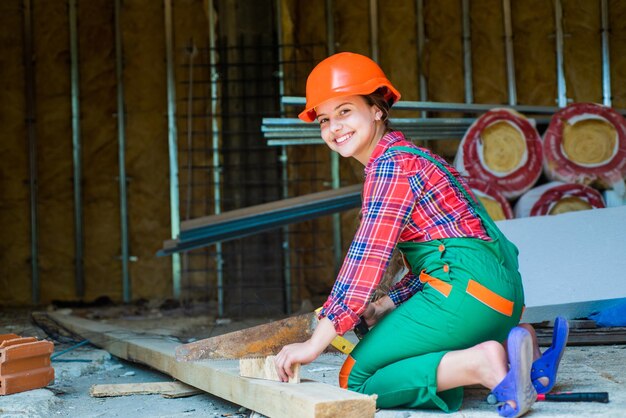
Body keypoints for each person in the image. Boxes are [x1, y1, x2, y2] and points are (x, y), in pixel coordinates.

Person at [274, 52, 568, 417]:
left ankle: (485, 363)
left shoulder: (388, 166)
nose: (334, 128)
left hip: (467, 296)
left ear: (378, 109)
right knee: (408, 346)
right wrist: (389, 303)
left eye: (345, 111)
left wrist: (314, 343)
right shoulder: (414, 156)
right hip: (501, 297)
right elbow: (445, 252)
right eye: (324, 119)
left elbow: (366, 260)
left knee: (357, 379)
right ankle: (517, 350)